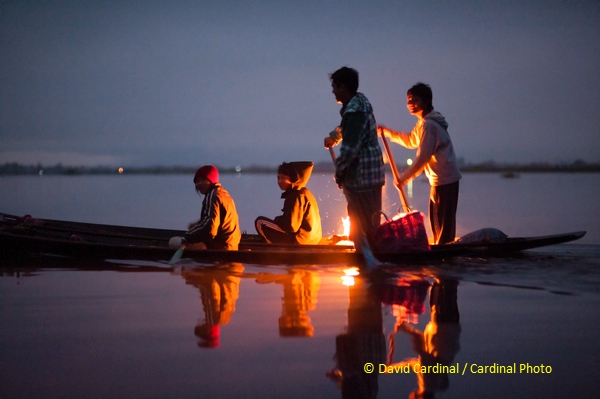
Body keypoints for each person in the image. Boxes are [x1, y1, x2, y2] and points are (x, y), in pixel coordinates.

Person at [378, 83, 461, 245]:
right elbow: (411, 140)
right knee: (437, 221)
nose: (409, 104)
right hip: (438, 181)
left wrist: (404, 178)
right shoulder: (424, 123)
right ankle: (441, 249)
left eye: (413, 100)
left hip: (445, 180)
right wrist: (388, 132)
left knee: (443, 224)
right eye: (408, 100)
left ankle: (444, 256)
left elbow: (423, 158)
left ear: (424, 102)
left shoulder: (430, 125)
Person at [323, 67, 385, 255]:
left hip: (361, 179)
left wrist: (339, 173)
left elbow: (350, 150)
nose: (332, 91)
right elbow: (346, 129)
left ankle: (368, 264)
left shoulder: (354, 112)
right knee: (371, 225)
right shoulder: (360, 103)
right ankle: (372, 262)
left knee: (362, 228)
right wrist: (334, 137)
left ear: (343, 87)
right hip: (371, 176)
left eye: (334, 86)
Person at [170, 165, 241, 250]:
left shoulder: (212, 196)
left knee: (173, 241)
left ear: (212, 180)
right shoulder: (224, 194)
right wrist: (198, 224)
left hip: (219, 247)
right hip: (231, 245)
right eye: (197, 181)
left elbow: (210, 229)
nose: (199, 184)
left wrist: (188, 237)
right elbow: (215, 219)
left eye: (203, 180)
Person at [254, 161, 322, 244]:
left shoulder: (296, 195)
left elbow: (291, 226)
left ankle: (272, 250)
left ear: (293, 179)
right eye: (278, 178)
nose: (279, 181)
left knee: (260, 222)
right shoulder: (305, 192)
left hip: (300, 241)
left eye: (283, 178)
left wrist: (277, 220)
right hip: (312, 239)